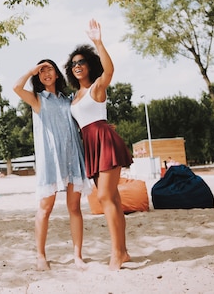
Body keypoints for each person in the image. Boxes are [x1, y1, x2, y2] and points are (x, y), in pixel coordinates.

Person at [66, 18, 133, 271]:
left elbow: (110, 71)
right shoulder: (74, 96)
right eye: (73, 64)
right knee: (112, 200)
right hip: (89, 147)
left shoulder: (97, 87)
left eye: (82, 62)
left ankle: (116, 253)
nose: (77, 66)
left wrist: (98, 41)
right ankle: (123, 252)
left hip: (104, 141)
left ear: (90, 64)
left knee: (104, 196)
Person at [13, 59, 91, 271]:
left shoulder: (69, 100)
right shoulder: (38, 100)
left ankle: (77, 256)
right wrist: (31, 69)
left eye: (50, 69)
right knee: (45, 209)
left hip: (72, 158)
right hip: (51, 162)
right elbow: (16, 88)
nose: (46, 73)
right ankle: (40, 255)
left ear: (57, 74)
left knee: (74, 208)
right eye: (42, 70)